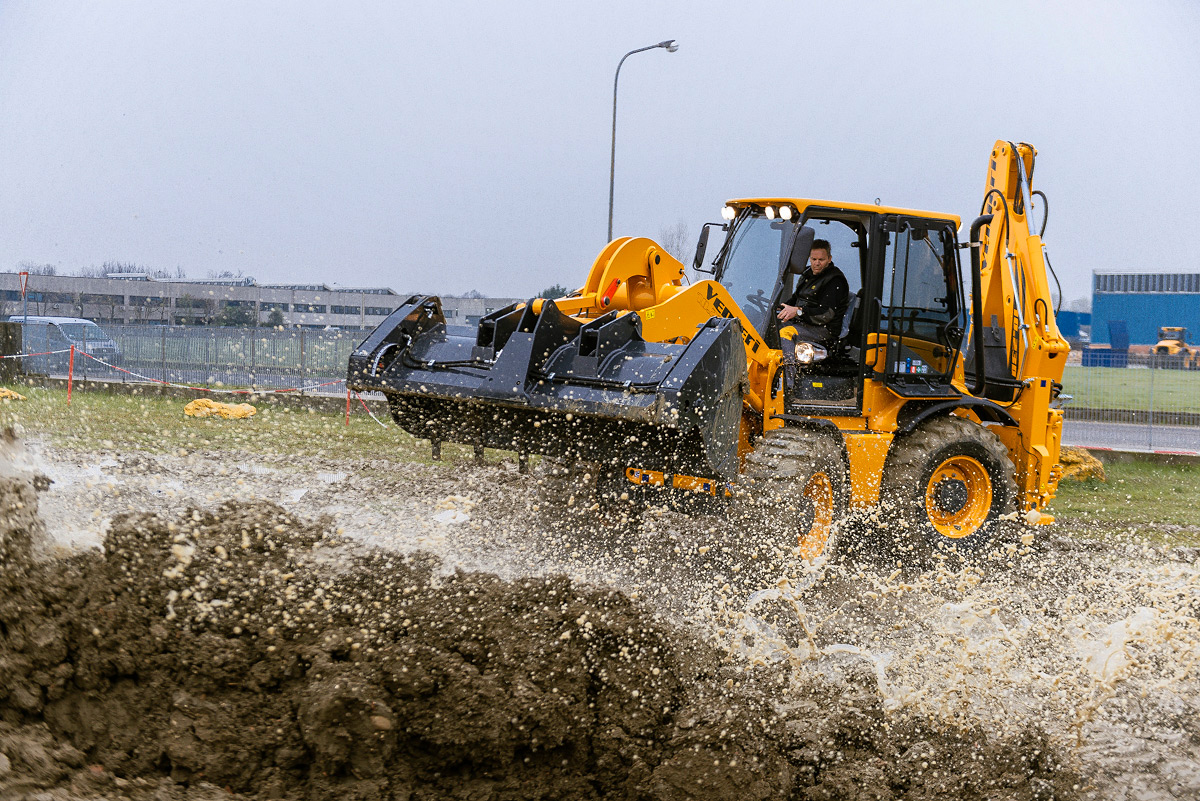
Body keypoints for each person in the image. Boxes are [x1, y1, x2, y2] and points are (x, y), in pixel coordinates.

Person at [776, 239, 850, 349]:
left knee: (787, 333)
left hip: (823, 329)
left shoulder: (834, 280)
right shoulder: (807, 274)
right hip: (803, 322)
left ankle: (788, 366)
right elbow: (796, 298)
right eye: (814, 259)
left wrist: (798, 312)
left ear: (829, 259)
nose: (817, 263)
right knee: (770, 323)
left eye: (821, 259)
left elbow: (825, 314)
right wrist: (778, 308)